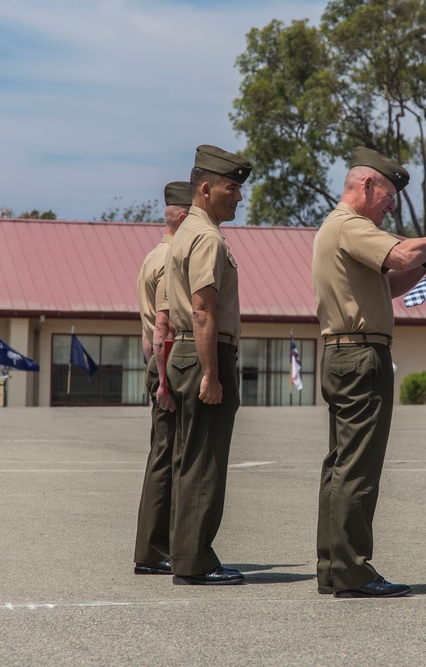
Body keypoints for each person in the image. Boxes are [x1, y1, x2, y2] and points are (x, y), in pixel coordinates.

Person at [313, 146, 426, 598]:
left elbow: (391, 281)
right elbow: (399, 256)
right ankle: (353, 570)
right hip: (360, 356)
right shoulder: (351, 226)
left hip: (343, 355)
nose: (390, 205)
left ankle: (333, 567)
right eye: (388, 196)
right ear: (367, 185)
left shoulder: (338, 230)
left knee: (340, 465)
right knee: (358, 468)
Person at [164, 145, 251, 585]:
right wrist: (212, 374)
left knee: (189, 458)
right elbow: (202, 310)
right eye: (231, 188)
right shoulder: (207, 237)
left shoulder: (185, 232)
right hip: (205, 353)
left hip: (185, 352)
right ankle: (195, 560)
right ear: (205, 188)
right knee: (204, 463)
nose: (238, 197)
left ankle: (186, 554)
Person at [132, 181, 191, 576]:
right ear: (185, 217)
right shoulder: (173, 258)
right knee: (169, 458)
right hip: (170, 360)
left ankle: (156, 547)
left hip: (157, 360)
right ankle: (154, 550)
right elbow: (164, 326)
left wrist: (152, 374)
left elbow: (145, 329)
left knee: (163, 454)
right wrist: (165, 383)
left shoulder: (151, 257)